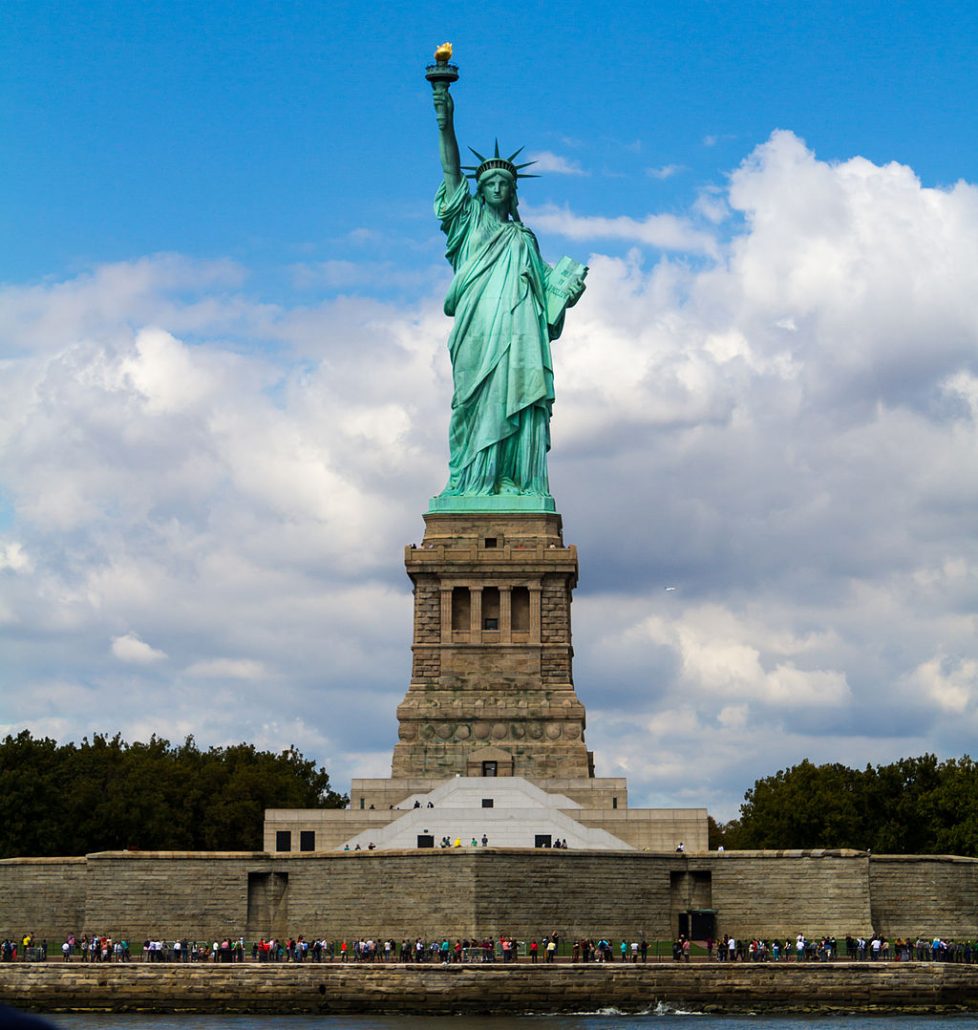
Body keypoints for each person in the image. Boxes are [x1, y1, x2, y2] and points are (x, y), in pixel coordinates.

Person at [430, 82, 585, 500]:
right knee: (472, 402)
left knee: (513, 397)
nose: (497, 188)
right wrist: (446, 121)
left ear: (512, 192)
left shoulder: (524, 239)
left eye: (505, 183)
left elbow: (544, 299)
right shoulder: (469, 223)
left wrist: (564, 291)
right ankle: (471, 481)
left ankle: (514, 479)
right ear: (479, 191)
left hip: (519, 334)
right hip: (478, 328)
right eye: (490, 183)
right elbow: (450, 171)